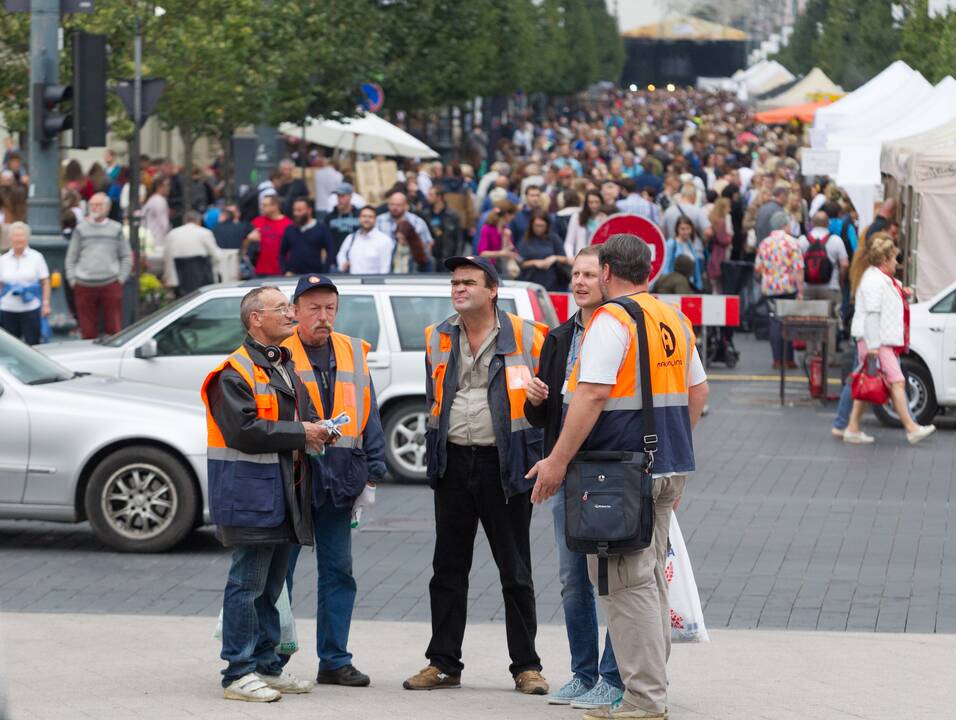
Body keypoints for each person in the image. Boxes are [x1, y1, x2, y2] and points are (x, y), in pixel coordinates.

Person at [526, 233, 709, 720]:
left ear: (607, 273)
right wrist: (672, 452)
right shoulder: (673, 317)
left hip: (620, 472)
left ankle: (643, 698)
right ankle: (648, 689)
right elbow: (699, 391)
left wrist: (557, 462)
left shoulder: (613, 319)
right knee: (649, 581)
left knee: (627, 588)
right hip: (664, 467)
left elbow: (589, 397)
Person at [403, 256, 549, 695]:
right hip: (452, 462)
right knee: (447, 569)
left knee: (515, 570)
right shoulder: (437, 337)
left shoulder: (528, 336)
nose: (458, 288)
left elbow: (551, 406)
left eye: (468, 282)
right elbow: (434, 400)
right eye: (454, 282)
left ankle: (526, 666)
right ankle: (443, 663)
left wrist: (541, 405)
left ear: (492, 291)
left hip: (503, 466)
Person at [200, 286, 327, 702]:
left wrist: (314, 432)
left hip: (281, 494)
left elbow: (288, 420)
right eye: (282, 309)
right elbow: (244, 431)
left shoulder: (280, 364)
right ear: (256, 319)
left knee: (273, 588)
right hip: (250, 495)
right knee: (247, 584)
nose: (292, 315)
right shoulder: (235, 371)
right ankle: (237, 672)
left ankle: (267, 665)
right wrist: (302, 431)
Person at [522, 246, 624, 709]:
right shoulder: (559, 336)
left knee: (614, 577)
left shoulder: (621, 329)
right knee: (572, 577)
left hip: (609, 468)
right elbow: (540, 414)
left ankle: (613, 676)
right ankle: (583, 673)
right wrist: (536, 398)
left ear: (606, 278)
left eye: (588, 274)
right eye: (575, 275)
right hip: (564, 468)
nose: (579, 282)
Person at [281, 275, 387, 688]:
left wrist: (372, 474)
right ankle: (273, 657)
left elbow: (369, 413)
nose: (323, 317)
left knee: (339, 572)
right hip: (292, 479)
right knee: (279, 575)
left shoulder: (351, 351)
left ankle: (335, 659)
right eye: (314, 308)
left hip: (341, 479)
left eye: (330, 308)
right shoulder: (278, 353)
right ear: (294, 311)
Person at [841, 235, 936, 445]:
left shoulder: (882, 279)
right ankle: (911, 428)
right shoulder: (876, 281)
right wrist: (874, 346)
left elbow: (885, 304)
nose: (897, 262)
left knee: (869, 382)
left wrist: (903, 293)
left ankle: (852, 427)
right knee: (897, 381)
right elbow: (873, 314)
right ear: (884, 260)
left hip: (877, 341)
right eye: (894, 258)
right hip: (877, 341)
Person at [65, 193, 131, 339]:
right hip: (84, 284)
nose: (94, 208)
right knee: (87, 330)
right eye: (92, 205)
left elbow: (126, 256)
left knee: (114, 328)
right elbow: (71, 257)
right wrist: (73, 280)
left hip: (110, 282)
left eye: (98, 204)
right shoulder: (80, 229)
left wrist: (120, 279)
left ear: (107, 207)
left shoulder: (116, 228)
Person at [754, 212, 804, 370]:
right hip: (788, 287)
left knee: (774, 322)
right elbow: (798, 268)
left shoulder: (764, 243)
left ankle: (777, 359)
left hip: (770, 288)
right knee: (788, 322)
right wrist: (800, 290)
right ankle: (789, 359)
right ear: (784, 225)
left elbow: (758, 268)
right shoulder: (792, 242)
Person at [0, 222, 50, 345]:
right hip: (7, 309)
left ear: (27, 238)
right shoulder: (3, 259)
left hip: (30, 308)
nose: (18, 239)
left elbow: (45, 281)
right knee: (10, 347)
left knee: (33, 344)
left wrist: (46, 303)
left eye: (21, 236)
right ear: (10, 238)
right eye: (15, 236)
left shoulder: (36, 257)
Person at [798, 210, 849, 317]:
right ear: (828, 224)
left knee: (808, 319)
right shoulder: (836, 240)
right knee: (830, 319)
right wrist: (840, 280)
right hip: (831, 287)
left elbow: (797, 265)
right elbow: (844, 264)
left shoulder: (802, 240)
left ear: (812, 223)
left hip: (807, 287)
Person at [163, 210, 221, 296]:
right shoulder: (205, 233)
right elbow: (217, 256)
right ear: (199, 221)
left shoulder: (172, 234)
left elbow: (166, 257)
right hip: (202, 279)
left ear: (184, 221)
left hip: (179, 280)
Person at [516, 210, 570, 291]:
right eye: (536, 226)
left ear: (547, 226)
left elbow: (565, 259)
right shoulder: (525, 240)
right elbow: (520, 263)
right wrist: (535, 263)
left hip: (553, 283)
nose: (539, 229)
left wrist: (554, 258)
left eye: (542, 226)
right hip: (531, 282)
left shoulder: (553, 238)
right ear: (531, 225)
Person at [280, 197, 334, 276]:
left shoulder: (321, 228)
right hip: (293, 276)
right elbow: (281, 253)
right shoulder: (290, 229)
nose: (296, 213)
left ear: (309, 210)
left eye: (299, 210)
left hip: (315, 276)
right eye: (294, 210)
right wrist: (285, 270)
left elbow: (330, 250)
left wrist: (324, 272)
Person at [243, 195, 293, 278]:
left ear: (275, 206)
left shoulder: (288, 224)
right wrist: (249, 239)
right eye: (262, 205)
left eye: (265, 205)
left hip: (281, 270)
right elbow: (243, 248)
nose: (262, 208)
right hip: (260, 270)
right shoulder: (256, 222)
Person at [336, 206, 393, 274]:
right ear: (359, 218)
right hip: (352, 282)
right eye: (364, 216)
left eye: (370, 217)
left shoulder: (384, 240)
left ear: (375, 219)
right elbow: (341, 254)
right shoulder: (350, 238)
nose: (367, 219)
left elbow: (385, 267)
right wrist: (343, 264)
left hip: (375, 282)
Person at [477, 201, 520, 277]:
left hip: (501, 268)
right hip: (489, 268)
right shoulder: (487, 228)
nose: (514, 217)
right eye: (513, 214)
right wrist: (502, 253)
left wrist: (507, 239)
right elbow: (482, 253)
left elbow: (508, 249)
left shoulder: (505, 228)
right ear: (507, 215)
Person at [424, 186, 463, 267]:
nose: (427, 197)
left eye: (431, 195)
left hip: (448, 257)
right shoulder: (426, 215)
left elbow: (459, 239)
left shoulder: (452, 215)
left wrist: (457, 261)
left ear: (439, 197)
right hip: (431, 258)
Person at [662, 216, 704, 291]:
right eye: (682, 229)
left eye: (688, 229)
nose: (686, 232)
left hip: (689, 284)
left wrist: (698, 285)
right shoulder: (671, 244)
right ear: (677, 229)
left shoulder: (690, 244)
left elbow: (696, 267)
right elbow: (666, 266)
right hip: (675, 285)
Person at [324, 183, 362, 263]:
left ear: (350, 196)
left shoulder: (359, 215)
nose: (339, 199)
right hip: (334, 260)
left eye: (342, 196)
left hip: (356, 259)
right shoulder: (330, 217)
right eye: (338, 196)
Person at [564, 191, 607, 257]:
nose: (594, 205)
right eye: (590, 202)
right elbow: (569, 242)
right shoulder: (577, 217)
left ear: (601, 203)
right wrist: (570, 257)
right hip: (581, 258)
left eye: (597, 202)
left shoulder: (605, 219)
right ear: (586, 204)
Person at [141, 175, 171, 251]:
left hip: (150, 241)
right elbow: (164, 224)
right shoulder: (159, 200)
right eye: (167, 185)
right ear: (159, 186)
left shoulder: (152, 199)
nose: (169, 188)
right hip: (158, 243)